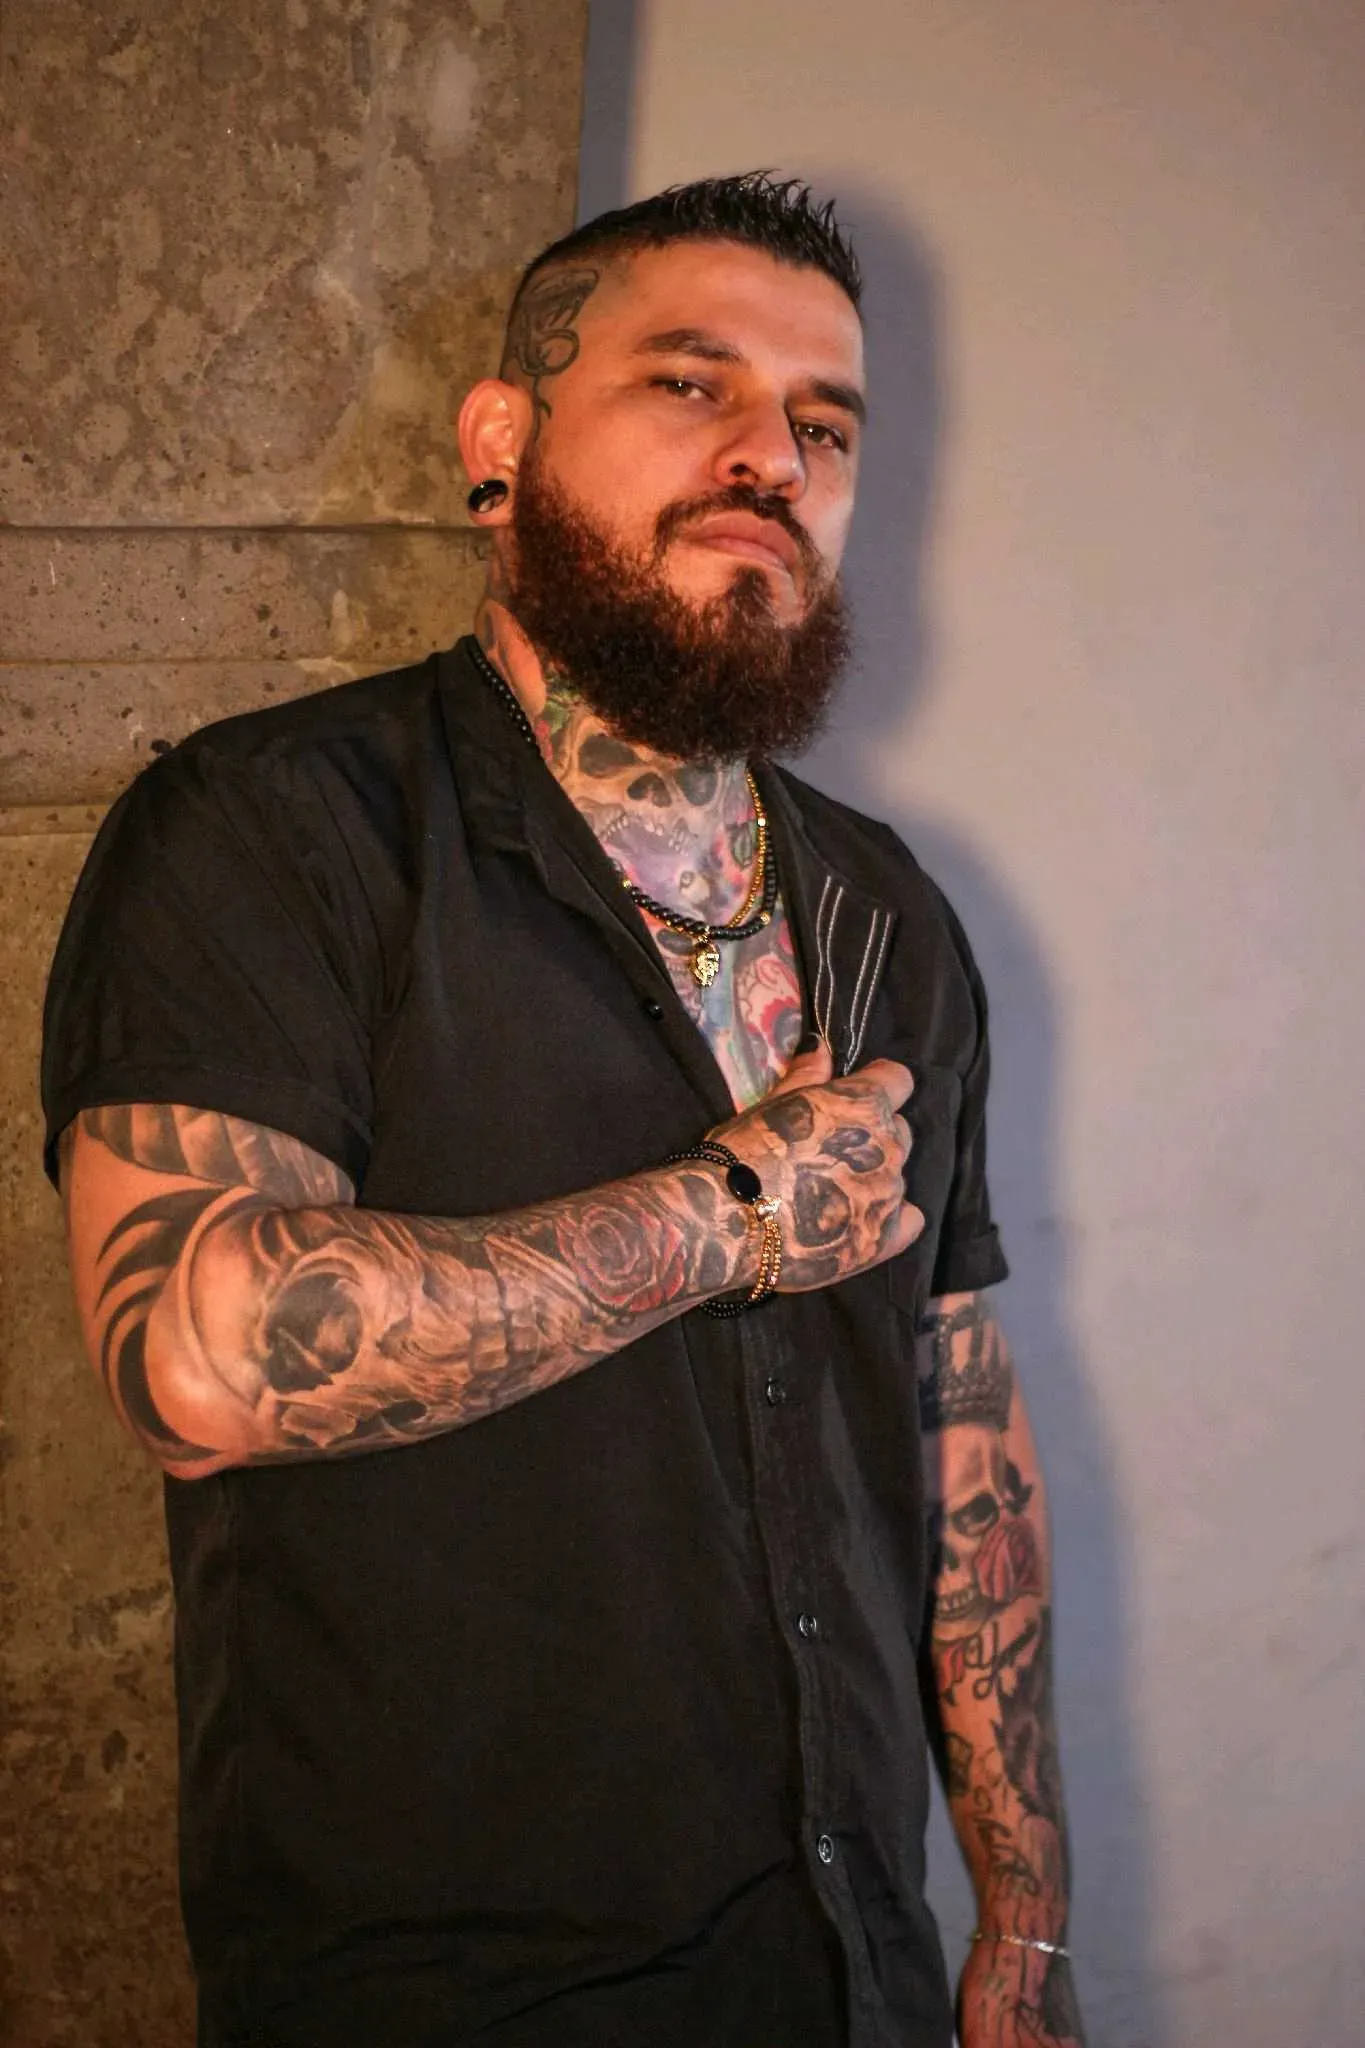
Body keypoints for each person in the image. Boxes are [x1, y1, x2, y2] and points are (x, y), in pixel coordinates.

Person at [43, 174, 1086, 2048]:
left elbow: (955, 1415)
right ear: (499, 444)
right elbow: (195, 1360)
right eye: (692, 384)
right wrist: (730, 1216)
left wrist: (1022, 1922)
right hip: (449, 1995)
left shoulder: (887, 910)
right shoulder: (274, 830)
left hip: (847, 1970)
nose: (771, 456)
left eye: (826, 425)